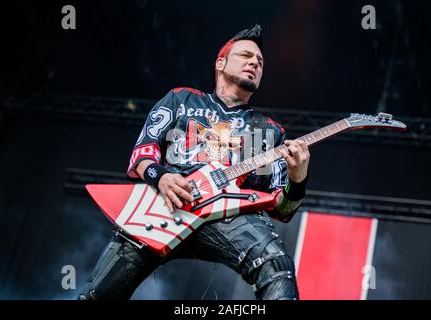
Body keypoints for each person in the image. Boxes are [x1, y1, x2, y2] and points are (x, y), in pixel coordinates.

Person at [78, 24, 310, 300]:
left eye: (260, 62)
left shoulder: (268, 131)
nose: (254, 63)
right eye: (246, 55)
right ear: (220, 63)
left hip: (229, 217)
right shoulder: (180, 99)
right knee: (97, 295)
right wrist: (162, 177)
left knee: (276, 265)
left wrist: (298, 181)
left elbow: (282, 209)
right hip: (164, 206)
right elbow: (143, 152)